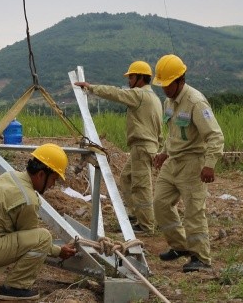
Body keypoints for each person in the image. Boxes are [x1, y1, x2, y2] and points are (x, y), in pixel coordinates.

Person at [0, 143, 77, 301]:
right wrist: (58, 251)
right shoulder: (27, 199)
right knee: (43, 237)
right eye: (53, 179)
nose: (52, 185)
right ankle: (15, 287)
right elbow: (32, 239)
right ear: (41, 174)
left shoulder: (10, 176)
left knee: (8, 232)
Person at [151, 54, 224, 273]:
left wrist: (209, 164)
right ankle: (179, 245)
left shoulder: (195, 101)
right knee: (160, 204)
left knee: (193, 211)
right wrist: (164, 153)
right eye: (161, 84)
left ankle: (201, 258)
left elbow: (215, 135)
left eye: (167, 84)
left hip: (193, 163)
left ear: (180, 80)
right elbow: (173, 133)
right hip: (173, 162)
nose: (164, 89)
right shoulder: (168, 101)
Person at [74, 60, 163, 234]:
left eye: (131, 77)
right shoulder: (154, 98)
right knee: (126, 179)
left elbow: (115, 93)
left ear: (139, 78)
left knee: (141, 186)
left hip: (142, 146)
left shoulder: (139, 95)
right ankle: (137, 215)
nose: (129, 81)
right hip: (146, 146)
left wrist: (91, 87)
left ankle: (146, 225)